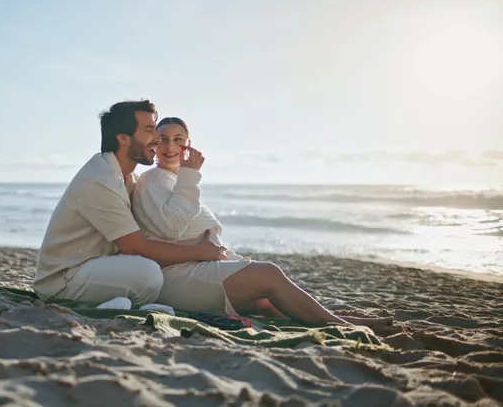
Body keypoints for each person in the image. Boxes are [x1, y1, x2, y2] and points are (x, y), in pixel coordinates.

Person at [130, 117, 393, 329]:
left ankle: (336, 320)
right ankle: (342, 324)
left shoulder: (176, 180)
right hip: (177, 276)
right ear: (154, 144)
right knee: (268, 273)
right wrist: (190, 175)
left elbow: (190, 222)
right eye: (163, 139)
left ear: (189, 145)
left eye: (178, 140)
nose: (169, 146)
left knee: (266, 304)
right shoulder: (154, 179)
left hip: (198, 268)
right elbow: (173, 228)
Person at [32, 100, 227, 306]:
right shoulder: (101, 179)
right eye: (149, 130)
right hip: (64, 279)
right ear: (123, 138)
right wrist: (200, 252)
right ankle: (115, 306)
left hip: (99, 266)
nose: (157, 139)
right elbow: (136, 248)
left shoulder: (127, 178)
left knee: (151, 271)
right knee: (148, 274)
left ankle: (123, 302)